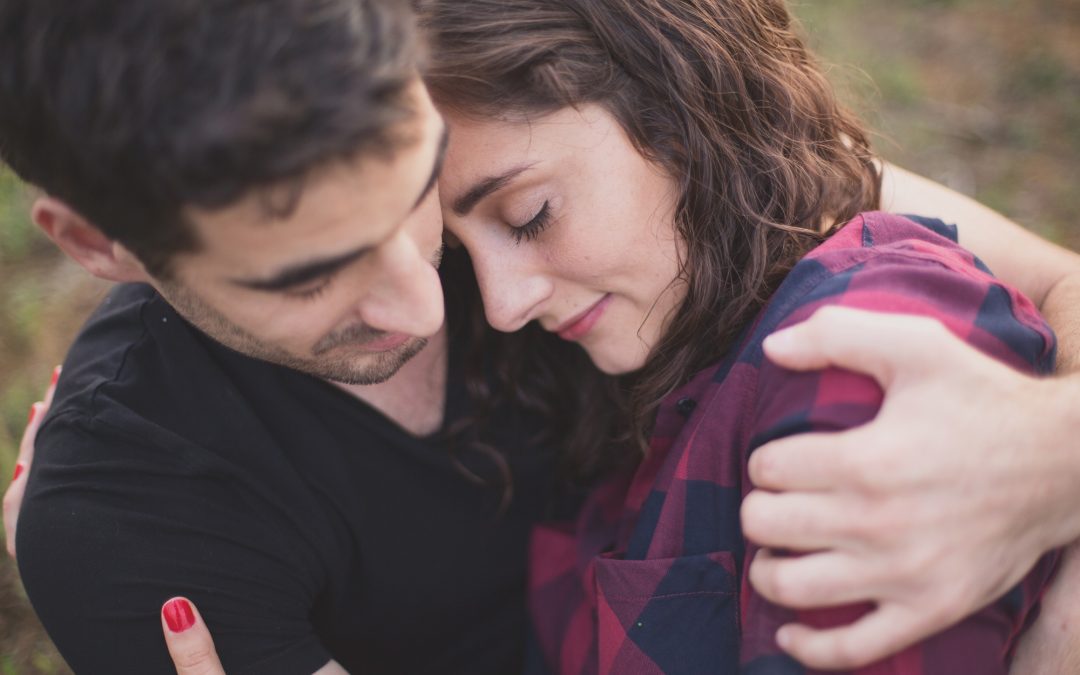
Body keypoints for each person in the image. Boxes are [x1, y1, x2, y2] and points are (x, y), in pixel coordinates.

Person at [3, 2, 1080, 675]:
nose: (438, 301)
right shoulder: (133, 514)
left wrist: (1052, 457)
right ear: (104, 243)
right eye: (311, 274)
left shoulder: (526, 121)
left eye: (417, 193)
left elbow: (1058, 286)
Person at [417, 0, 1062, 671]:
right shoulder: (661, 341)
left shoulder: (851, 356)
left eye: (530, 216)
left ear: (672, 115)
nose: (502, 305)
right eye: (461, 254)